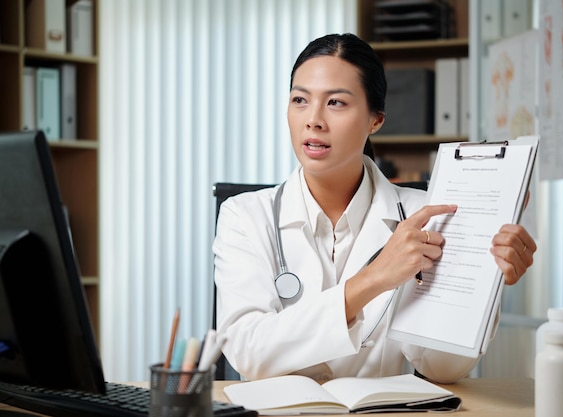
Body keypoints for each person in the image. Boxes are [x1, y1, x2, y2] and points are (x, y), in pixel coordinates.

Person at [213, 33, 536, 384]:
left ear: (375, 120)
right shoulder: (244, 216)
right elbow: (248, 352)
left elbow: (440, 367)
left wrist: (483, 282)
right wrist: (372, 280)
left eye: (336, 102)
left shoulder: (425, 216)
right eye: (300, 100)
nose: (314, 120)